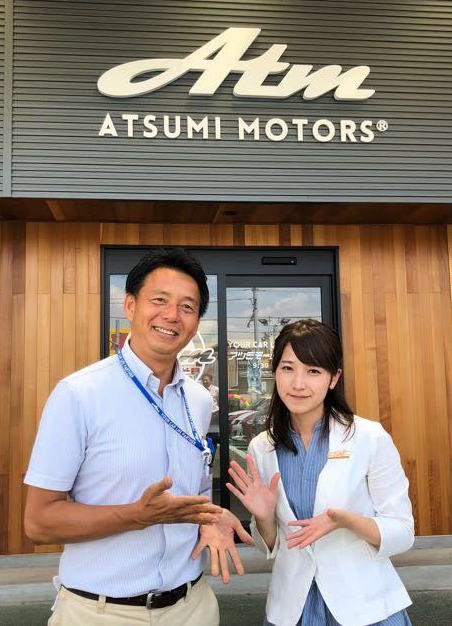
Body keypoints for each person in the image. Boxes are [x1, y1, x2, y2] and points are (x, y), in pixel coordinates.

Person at [24, 248, 252, 626]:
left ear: (196, 322)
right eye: (159, 300)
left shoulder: (198, 401)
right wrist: (137, 516)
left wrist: (209, 519)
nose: (172, 315)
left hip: (192, 607)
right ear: (130, 305)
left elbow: (192, 498)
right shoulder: (79, 394)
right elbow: (38, 522)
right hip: (101, 612)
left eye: (187, 307)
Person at [227, 319, 414, 626]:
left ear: (333, 377)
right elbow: (270, 546)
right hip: (293, 609)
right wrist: (263, 519)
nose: (298, 383)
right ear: (275, 371)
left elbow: (403, 532)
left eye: (313, 371)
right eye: (288, 368)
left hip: (364, 609)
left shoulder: (369, 437)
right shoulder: (262, 447)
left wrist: (345, 521)